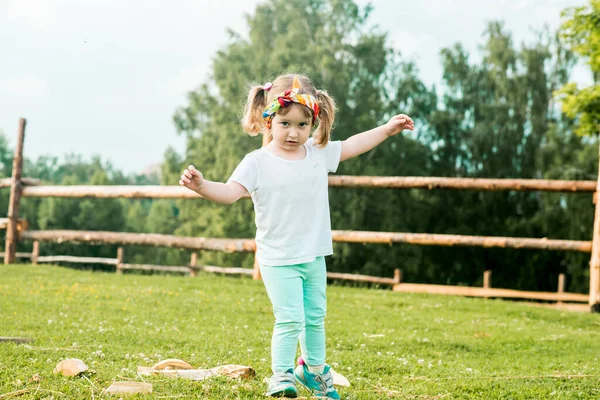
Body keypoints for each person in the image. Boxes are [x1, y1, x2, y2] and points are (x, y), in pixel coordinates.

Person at [179, 74, 414, 398]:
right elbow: (230, 192)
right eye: (285, 123)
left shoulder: (318, 154)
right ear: (269, 120)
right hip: (277, 258)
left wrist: (387, 129)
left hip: (314, 255)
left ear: (314, 123)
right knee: (289, 318)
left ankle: (314, 371)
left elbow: (353, 144)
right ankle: (281, 375)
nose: (293, 132)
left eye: (302, 125)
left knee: (315, 318)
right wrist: (202, 186)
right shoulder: (257, 162)